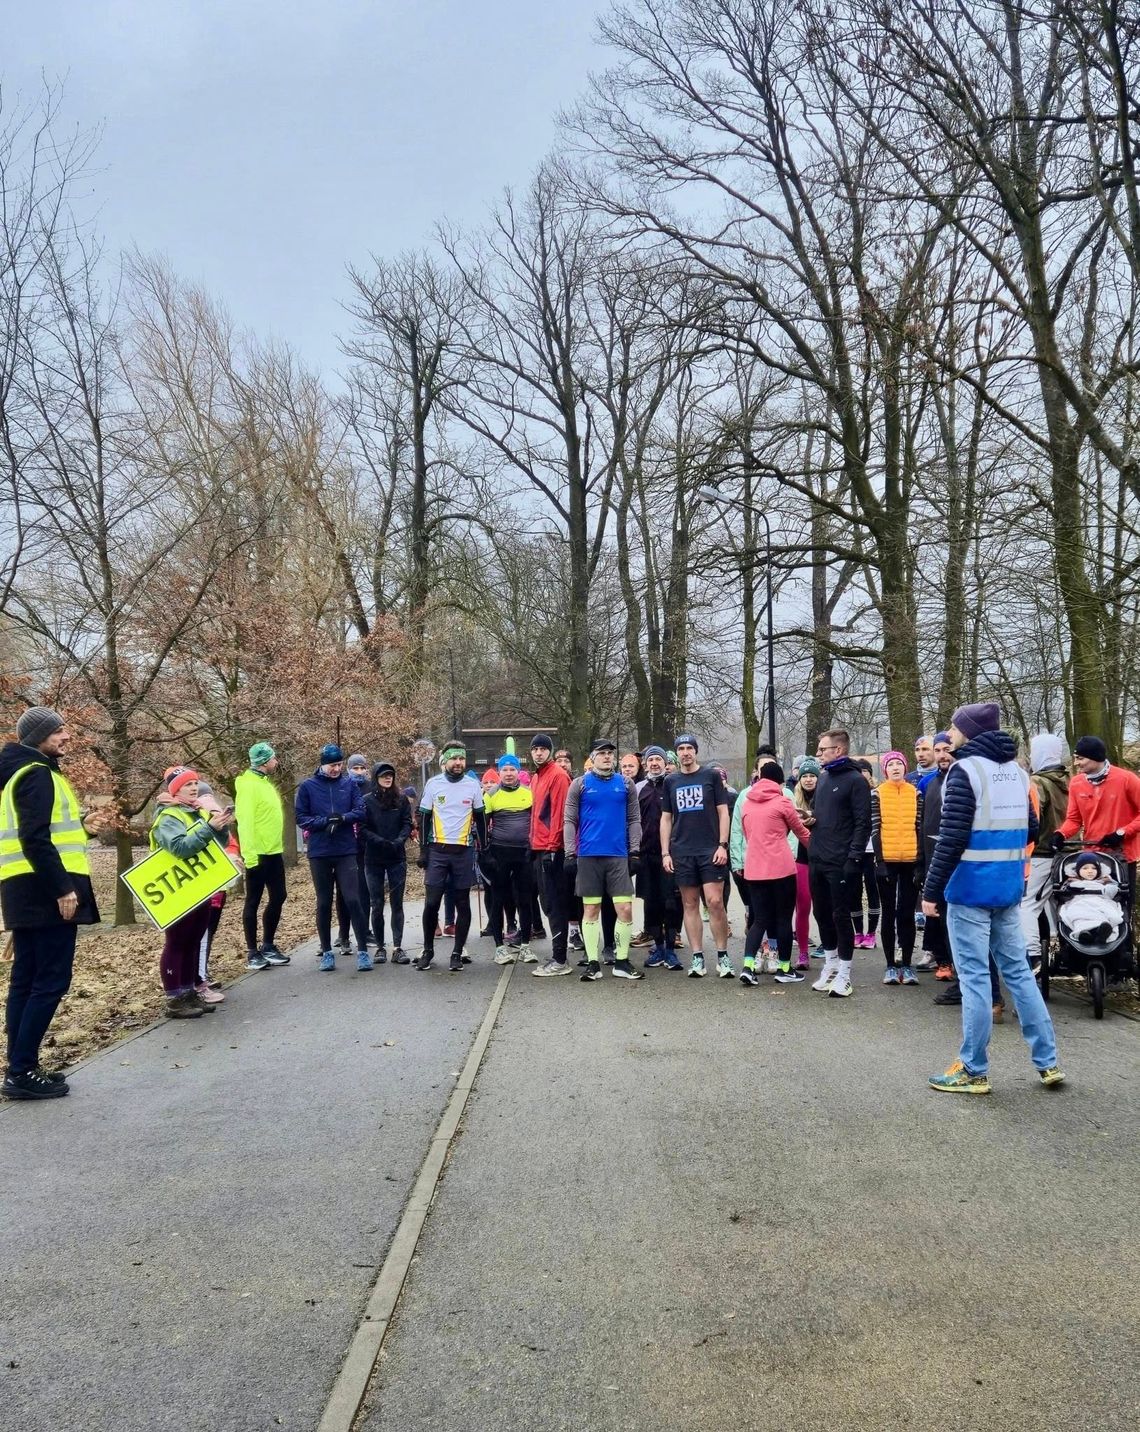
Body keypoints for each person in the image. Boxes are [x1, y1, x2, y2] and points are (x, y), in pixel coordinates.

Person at [923, 702, 1064, 1094]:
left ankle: (973, 1067)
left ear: (969, 731)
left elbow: (950, 840)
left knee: (974, 978)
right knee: (1018, 972)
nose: (949, 734)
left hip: (969, 889)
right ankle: (1048, 1061)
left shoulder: (964, 772)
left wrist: (931, 892)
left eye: (954, 727)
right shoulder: (1020, 774)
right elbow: (1033, 826)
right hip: (1007, 888)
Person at [0, 708, 100, 1100]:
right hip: (45, 891)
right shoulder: (38, 773)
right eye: (58, 731)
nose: (66, 736)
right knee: (50, 980)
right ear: (39, 736)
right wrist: (63, 889)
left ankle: (20, 1065)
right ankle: (22, 1070)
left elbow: (47, 836)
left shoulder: (16, 774)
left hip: (22, 888)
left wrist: (83, 831)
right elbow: (35, 838)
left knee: (26, 979)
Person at [149, 767, 233, 1018]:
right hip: (176, 888)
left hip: (199, 885)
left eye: (196, 783)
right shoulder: (169, 816)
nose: (194, 787)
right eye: (187, 785)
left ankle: (189, 992)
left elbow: (221, 844)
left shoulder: (196, 811)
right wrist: (208, 828)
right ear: (175, 789)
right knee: (177, 941)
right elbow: (180, 847)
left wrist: (219, 826)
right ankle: (175, 999)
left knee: (195, 938)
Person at [563, 737, 643, 981]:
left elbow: (634, 820)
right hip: (588, 856)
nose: (607, 756)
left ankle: (621, 960)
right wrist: (569, 853)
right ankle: (593, 963)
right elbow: (569, 820)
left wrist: (635, 851)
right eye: (602, 753)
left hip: (618, 856)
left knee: (625, 909)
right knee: (591, 909)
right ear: (592, 757)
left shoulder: (626, 784)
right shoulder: (580, 784)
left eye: (610, 753)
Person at [730, 759, 812, 985]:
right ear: (779, 780)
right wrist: (819, 850)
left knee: (759, 920)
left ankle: (747, 966)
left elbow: (747, 835)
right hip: (782, 869)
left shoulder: (747, 803)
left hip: (754, 870)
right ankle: (784, 969)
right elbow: (801, 832)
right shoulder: (783, 801)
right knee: (783, 919)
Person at [661, 733, 732, 979]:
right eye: (681, 748)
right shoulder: (670, 781)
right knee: (689, 904)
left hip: (710, 850)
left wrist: (722, 845)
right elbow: (666, 818)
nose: (685, 752)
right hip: (682, 852)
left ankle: (723, 957)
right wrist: (665, 852)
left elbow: (723, 813)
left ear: (696, 751)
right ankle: (698, 957)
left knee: (714, 902)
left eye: (689, 748)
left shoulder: (711, 776)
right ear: (677, 753)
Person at [295, 743, 370, 971]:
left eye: (339, 764)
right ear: (322, 765)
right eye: (332, 765)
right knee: (324, 901)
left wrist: (343, 819)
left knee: (353, 899)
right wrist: (325, 821)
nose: (336, 769)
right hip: (320, 852)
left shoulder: (348, 784)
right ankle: (327, 951)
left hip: (346, 849)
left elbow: (360, 811)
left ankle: (363, 950)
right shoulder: (308, 786)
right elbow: (301, 817)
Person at [808, 729, 871, 999]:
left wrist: (854, 857)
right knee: (821, 915)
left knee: (840, 916)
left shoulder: (855, 781)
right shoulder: (823, 779)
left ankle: (845, 973)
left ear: (839, 750)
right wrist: (810, 817)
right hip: (818, 858)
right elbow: (825, 816)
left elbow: (863, 823)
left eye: (823, 749)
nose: (819, 754)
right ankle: (830, 965)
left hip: (842, 862)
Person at [417, 741, 486, 972]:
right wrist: (424, 851)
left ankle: (457, 952)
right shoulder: (433, 783)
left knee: (462, 903)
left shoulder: (472, 784)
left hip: (463, 852)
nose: (458, 763)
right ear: (444, 761)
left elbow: (481, 817)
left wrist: (483, 848)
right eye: (454, 759)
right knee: (432, 902)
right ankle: (428, 950)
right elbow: (424, 817)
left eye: (461, 759)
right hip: (438, 850)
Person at [234, 741, 290, 972]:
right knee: (253, 901)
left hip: (273, 850)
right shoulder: (247, 785)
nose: (276, 762)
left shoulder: (264, 783)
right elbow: (245, 822)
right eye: (274, 758)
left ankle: (268, 945)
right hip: (257, 853)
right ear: (265, 761)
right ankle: (252, 952)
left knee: (279, 896)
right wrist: (249, 856)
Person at [1052, 735, 1140, 884]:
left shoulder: (1127, 779)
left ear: (1094, 757)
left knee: (1122, 904)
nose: (1076, 763)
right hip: (1091, 858)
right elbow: (1074, 819)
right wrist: (1061, 834)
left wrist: (1122, 833)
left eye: (1080, 758)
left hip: (1123, 855)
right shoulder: (1076, 783)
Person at [871, 751, 924, 985]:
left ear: (905, 768)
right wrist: (880, 861)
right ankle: (890, 965)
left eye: (899, 764)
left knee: (907, 914)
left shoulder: (916, 793)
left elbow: (920, 827)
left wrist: (920, 863)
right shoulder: (877, 793)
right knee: (889, 912)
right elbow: (875, 828)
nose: (895, 768)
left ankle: (907, 965)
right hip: (887, 862)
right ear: (884, 770)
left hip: (911, 861)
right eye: (890, 764)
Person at [1020, 733, 1069, 971]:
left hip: (1042, 852)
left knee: (1028, 903)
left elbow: (1033, 816)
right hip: (1072, 852)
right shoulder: (1073, 781)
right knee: (1059, 902)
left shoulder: (1037, 783)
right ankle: (1063, 949)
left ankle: (1033, 955)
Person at [483, 754, 537, 965]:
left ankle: (525, 946)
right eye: (504, 770)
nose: (508, 773)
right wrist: (485, 853)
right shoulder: (491, 794)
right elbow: (482, 826)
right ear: (499, 772)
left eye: (512, 769)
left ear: (518, 772)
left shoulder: (528, 793)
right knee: (499, 899)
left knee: (525, 900)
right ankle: (499, 947)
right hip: (499, 853)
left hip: (524, 853)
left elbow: (535, 822)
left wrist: (534, 848)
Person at [528, 733, 575, 977]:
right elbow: (537, 815)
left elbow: (560, 814)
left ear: (550, 751)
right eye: (535, 748)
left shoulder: (557, 775)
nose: (538, 752)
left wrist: (553, 847)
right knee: (546, 903)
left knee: (555, 904)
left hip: (552, 850)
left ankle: (560, 959)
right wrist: (532, 844)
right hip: (538, 848)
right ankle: (558, 953)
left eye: (543, 749)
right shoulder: (537, 777)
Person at [362, 761, 413, 964]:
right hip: (373, 857)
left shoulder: (401, 800)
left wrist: (400, 840)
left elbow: (407, 823)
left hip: (396, 856)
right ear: (376, 777)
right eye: (383, 775)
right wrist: (379, 841)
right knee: (376, 903)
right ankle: (380, 946)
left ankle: (398, 947)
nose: (387, 777)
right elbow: (363, 827)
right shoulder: (366, 801)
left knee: (397, 903)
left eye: (390, 774)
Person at [638, 745, 684, 971]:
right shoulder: (639, 789)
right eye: (651, 760)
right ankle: (658, 947)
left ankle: (671, 949)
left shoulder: (673, 785)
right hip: (647, 855)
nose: (654, 763)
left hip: (673, 855)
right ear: (645, 764)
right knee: (652, 903)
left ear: (666, 763)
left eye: (659, 759)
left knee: (672, 903)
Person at [791, 757, 820, 968]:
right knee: (803, 906)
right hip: (801, 858)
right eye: (805, 776)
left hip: (824, 858)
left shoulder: (826, 797)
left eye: (812, 776)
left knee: (826, 907)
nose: (809, 780)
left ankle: (830, 948)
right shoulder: (793, 801)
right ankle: (802, 953)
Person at [850, 759, 881, 950]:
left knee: (872, 890)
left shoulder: (876, 794)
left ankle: (871, 933)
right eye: (858, 771)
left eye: (865, 771)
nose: (862, 775)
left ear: (870, 774)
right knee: (854, 892)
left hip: (872, 851)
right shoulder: (851, 794)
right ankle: (858, 932)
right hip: (854, 849)